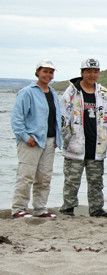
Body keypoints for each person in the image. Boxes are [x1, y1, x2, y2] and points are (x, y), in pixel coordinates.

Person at [59, 58, 107, 217]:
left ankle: (96, 209)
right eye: (88, 71)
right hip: (75, 144)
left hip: (97, 145)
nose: (92, 75)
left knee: (96, 182)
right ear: (82, 73)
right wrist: (67, 136)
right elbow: (62, 117)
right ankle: (68, 208)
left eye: (95, 71)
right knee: (71, 181)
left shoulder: (103, 93)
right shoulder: (71, 92)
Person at [11, 59, 62, 218]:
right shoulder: (27, 92)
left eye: (51, 72)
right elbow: (17, 119)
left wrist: (57, 139)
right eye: (45, 71)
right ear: (38, 72)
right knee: (26, 176)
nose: (48, 75)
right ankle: (18, 209)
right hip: (31, 142)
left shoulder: (52, 93)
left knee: (44, 177)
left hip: (49, 141)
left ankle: (40, 209)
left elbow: (55, 118)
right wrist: (26, 137)